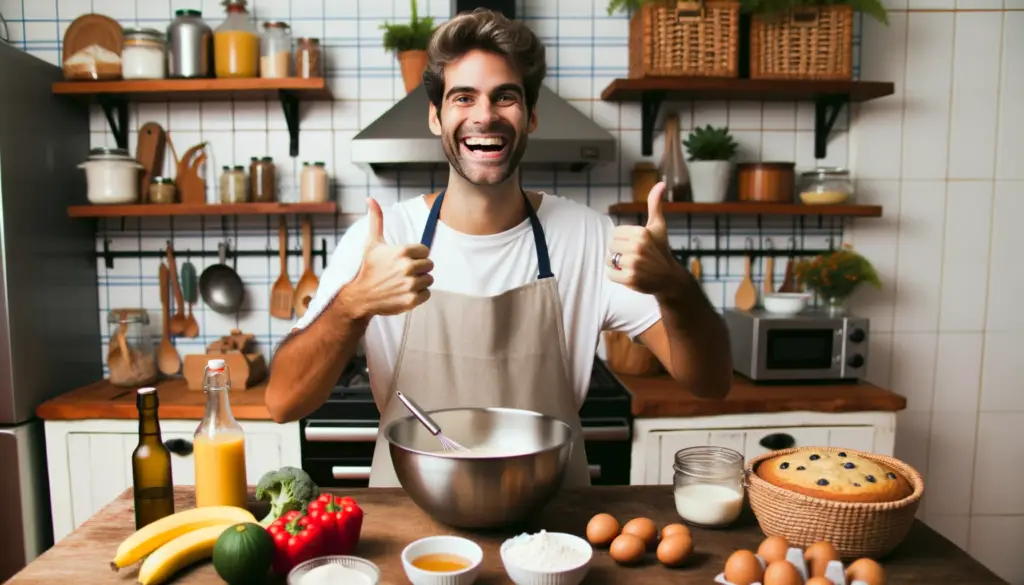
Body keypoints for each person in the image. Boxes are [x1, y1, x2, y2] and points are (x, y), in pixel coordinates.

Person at [265, 8, 732, 488]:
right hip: (410, 528)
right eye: (462, 97)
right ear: (436, 116)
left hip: (554, 529)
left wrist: (675, 286)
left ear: (529, 116)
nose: (484, 115)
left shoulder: (588, 237)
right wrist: (353, 305)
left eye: (504, 97)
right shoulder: (381, 240)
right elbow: (282, 402)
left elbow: (711, 384)